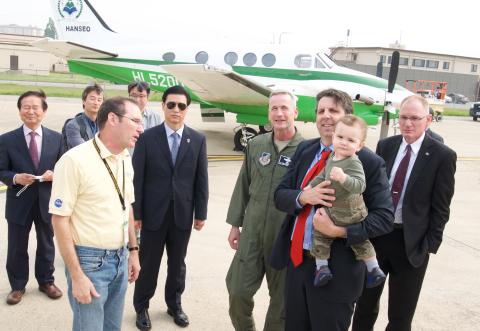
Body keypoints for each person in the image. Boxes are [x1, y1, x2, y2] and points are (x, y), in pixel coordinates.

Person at [270, 88, 394, 331]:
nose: (326, 116)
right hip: (297, 264)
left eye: (333, 111)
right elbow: (280, 195)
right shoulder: (305, 150)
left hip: (337, 272)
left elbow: (384, 218)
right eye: (321, 111)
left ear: (347, 116)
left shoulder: (368, 163)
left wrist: (340, 231)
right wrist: (304, 196)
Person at [352, 95, 457, 331]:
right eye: (404, 117)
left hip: (412, 245)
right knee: (364, 305)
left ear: (428, 120)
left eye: (415, 118)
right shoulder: (386, 146)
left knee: (401, 315)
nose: (408, 124)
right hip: (377, 238)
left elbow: (441, 207)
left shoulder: (442, 155)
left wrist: (429, 244)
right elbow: (372, 191)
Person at [49, 97, 142, 330]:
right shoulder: (74, 161)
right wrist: (77, 275)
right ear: (112, 118)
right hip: (89, 263)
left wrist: (133, 250)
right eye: (135, 121)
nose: (141, 128)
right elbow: (60, 220)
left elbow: (126, 205)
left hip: (120, 257)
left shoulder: (124, 157)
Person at [226, 90, 304, 331]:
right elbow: (243, 184)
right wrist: (235, 224)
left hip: (285, 237)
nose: (279, 113)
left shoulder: (306, 150)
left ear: (295, 113)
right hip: (253, 232)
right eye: (274, 108)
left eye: (284, 108)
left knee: (281, 304)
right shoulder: (257, 144)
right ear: (268, 113)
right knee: (237, 291)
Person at [132, 85, 209, 330]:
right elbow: (138, 179)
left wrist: (201, 213)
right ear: (163, 105)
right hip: (153, 215)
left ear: (187, 109)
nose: (176, 110)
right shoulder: (146, 138)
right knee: (149, 263)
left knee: (178, 264)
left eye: (182, 106)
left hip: (182, 215)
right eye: (171, 104)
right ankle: (141, 306)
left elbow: (201, 179)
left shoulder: (197, 139)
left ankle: (174, 304)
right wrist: (137, 213)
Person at [307, 115, 386, 288]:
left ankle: (371, 269)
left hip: (348, 210)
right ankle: (326, 269)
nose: (344, 142)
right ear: (333, 136)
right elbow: (323, 175)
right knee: (345, 239)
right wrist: (310, 187)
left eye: (351, 140)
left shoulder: (353, 162)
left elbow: (360, 186)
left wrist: (343, 178)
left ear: (359, 146)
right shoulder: (333, 157)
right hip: (337, 209)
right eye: (340, 137)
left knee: (330, 236)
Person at [0, 90, 63, 305]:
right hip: (19, 200)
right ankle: (17, 286)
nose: (31, 111)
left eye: (36, 107)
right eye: (26, 107)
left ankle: (46, 281)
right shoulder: (6, 140)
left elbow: (65, 168)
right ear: (20, 111)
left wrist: (55, 174)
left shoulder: (57, 138)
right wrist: (16, 177)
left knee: (47, 243)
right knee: (17, 245)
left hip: (47, 200)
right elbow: (1, 170)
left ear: (44, 111)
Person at [63, 83, 104, 150]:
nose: (96, 103)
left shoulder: (105, 124)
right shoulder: (73, 125)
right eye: (92, 99)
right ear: (84, 101)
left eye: (99, 100)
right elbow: (82, 150)